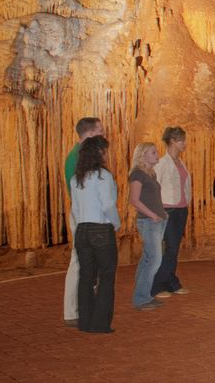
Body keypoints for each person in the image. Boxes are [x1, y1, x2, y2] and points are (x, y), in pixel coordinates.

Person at [70, 135, 120, 333]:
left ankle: (85, 320)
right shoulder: (103, 176)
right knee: (106, 277)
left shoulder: (76, 179)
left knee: (86, 277)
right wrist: (116, 223)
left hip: (81, 230)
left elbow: (74, 208)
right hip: (101, 229)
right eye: (104, 150)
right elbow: (107, 204)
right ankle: (100, 323)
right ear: (99, 153)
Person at [63, 117, 103, 327]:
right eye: (100, 131)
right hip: (84, 213)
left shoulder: (79, 155)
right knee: (79, 260)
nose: (102, 135)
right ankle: (72, 310)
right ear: (90, 133)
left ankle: (83, 305)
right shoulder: (78, 157)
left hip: (87, 212)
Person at [151, 126, 191, 298]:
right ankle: (158, 285)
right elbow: (153, 188)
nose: (185, 143)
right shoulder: (161, 164)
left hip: (181, 208)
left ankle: (170, 282)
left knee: (173, 249)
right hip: (168, 209)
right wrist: (158, 211)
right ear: (173, 141)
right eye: (182, 140)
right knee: (170, 248)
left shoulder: (180, 162)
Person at [127, 142, 166, 312]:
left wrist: (163, 213)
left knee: (147, 259)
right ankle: (141, 298)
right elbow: (134, 200)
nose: (157, 154)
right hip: (149, 222)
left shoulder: (151, 174)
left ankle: (143, 294)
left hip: (157, 220)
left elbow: (153, 198)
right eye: (153, 152)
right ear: (142, 155)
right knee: (154, 260)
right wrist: (153, 215)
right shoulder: (137, 174)